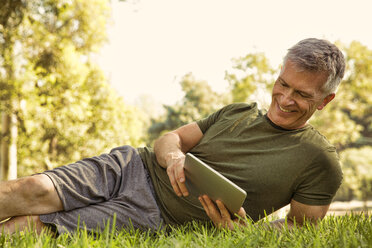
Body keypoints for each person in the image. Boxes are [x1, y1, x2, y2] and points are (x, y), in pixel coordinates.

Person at [0, 38, 345, 234]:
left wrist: (244, 232)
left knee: (33, 228)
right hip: (133, 166)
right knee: (31, 190)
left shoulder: (320, 160)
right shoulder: (237, 112)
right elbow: (168, 139)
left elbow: (300, 229)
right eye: (283, 84)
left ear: (325, 100)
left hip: (156, 215)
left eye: (301, 94)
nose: (285, 99)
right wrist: (175, 157)